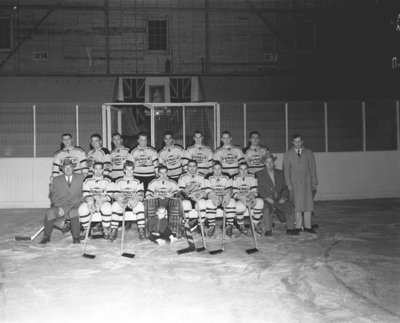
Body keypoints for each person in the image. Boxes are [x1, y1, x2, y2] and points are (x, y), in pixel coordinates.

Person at [40, 159, 85, 244]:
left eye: (70, 167)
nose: (68, 169)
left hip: (77, 204)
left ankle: (76, 238)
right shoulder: (56, 180)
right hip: (62, 205)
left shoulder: (81, 177)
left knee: (73, 212)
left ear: (73, 168)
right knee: (50, 213)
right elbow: (53, 195)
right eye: (65, 168)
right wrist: (59, 206)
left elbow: (85, 191)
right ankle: (46, 237)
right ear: (63, 169)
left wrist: (84, 203)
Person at [283, 134, 318, 233]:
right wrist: (288, 183)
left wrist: (314, 181)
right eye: (295, 141)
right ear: (292, 142)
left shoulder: (309, 153)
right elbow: (286, 170)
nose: (297, 143)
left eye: (299, 141)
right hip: (295, 183)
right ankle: (298, 226)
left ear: (302, 141)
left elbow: (312, 167)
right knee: (297, 205)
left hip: (307, 182)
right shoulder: (288, 154)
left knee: (308, 204)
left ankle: (308, 226)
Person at [256, 153, 296, 236]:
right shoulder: (259, 174)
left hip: (279, 198)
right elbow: (259, 189)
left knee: (289, 205)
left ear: (274, 162)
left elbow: (285, 187)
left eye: (271, 161)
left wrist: (283, 197)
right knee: (266, 208)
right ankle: (268, 230)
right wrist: (267, 198)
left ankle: (290, 228)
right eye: (267, 162)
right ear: (264, 163)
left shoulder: (280, 173)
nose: (269, 163)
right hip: (267, 199)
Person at [110, 162, 145, 241]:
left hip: (133, 201)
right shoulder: (118, 181)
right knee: (115, 205)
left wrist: (136, 199)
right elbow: (116, 193)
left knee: (140, 206)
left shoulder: (138, 181)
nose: (129, 172)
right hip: (123, 201)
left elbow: (141, 193)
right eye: (127, 170)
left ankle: (141, 229)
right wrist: (120, 199)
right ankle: (114, 229)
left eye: (131, 170)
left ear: (133, 170)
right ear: (124, 170)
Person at [78, 162, 113, 239]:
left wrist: (102, 200)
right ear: (93, 169)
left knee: (107, 208)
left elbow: (110, 194)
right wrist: (90, 202)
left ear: (103, 170)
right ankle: (86, 229)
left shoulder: (108, 179)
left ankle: (106, 229)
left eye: (100, 169)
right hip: (91, 200)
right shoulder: (87, 179)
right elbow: (85, 193)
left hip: (103, 202)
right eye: (96, 169)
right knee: (82, 209)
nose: (98, 171)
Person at [145, 165, 182, 238]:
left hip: (169, 203)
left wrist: (172, 195)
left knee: (176, 203)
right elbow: (147, 195)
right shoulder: (153, 182)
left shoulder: (173, 182)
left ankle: (174, 229)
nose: (163, 175)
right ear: (158, 173)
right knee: (151, 203)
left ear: (167, 173)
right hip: (157, 203)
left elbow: (178, 196)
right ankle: (153, 229)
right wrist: (153, 195)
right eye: (161, 173)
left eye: (165, 173)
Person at [204, 161, 236, 237]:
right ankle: (212, 225)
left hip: (224, 197)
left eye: (219, 168)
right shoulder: (208, 176)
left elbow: (230, 189)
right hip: (214, 198)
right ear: (212, 169)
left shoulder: (227, 176)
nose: (217, 171)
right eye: (215, 169)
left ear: (222, 169)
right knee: (209, 203)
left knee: (232, 201)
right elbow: (208, 191)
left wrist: (227, 196)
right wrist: (214, 196)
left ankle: (229, 225)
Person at [232, 162, 264, 234]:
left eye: (245, 169)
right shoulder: (234, 178)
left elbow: (254, 190)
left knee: (260, 202)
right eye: (241, 169)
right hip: (241, 199)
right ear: (238, 170)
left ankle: (255, 224)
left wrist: (251, 197)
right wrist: (242, 197)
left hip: (250, 197)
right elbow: (234, 193)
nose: (243, 171)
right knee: (239, 206)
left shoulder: (253, 176)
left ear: (248, 169)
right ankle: (241, 225)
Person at [178, 159, 207, 232]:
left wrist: (199, 195)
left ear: (197, 167)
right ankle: (186, 225)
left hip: (198, 197)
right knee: (185, 203)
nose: (192, 168)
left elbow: (205, 191)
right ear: (187, 167)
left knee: (202, 202)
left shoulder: (202, 176)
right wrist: (188, 194)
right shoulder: (182, 176)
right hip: (188, 198)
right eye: (190, 166)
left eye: (194, 166)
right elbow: (181, 191)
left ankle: (201, 225)